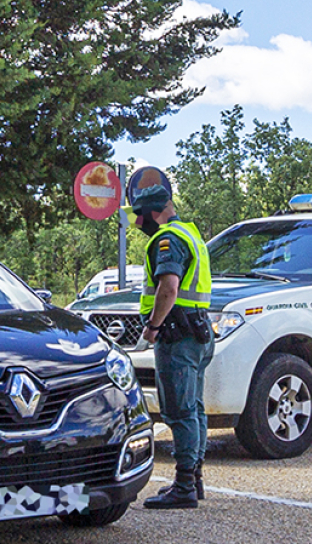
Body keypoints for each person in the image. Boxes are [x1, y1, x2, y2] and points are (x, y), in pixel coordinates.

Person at [132, 185, 214, 510]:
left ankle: (183, 488)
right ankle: (194, 480)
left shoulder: (168, 239)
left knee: (179, 413)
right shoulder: (192, 234)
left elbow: (169, 286)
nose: (138, 224)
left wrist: (152, 327)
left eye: (140, 217)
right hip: (197, 332)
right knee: (194, 408)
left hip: (177, 336)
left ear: (154, 212)